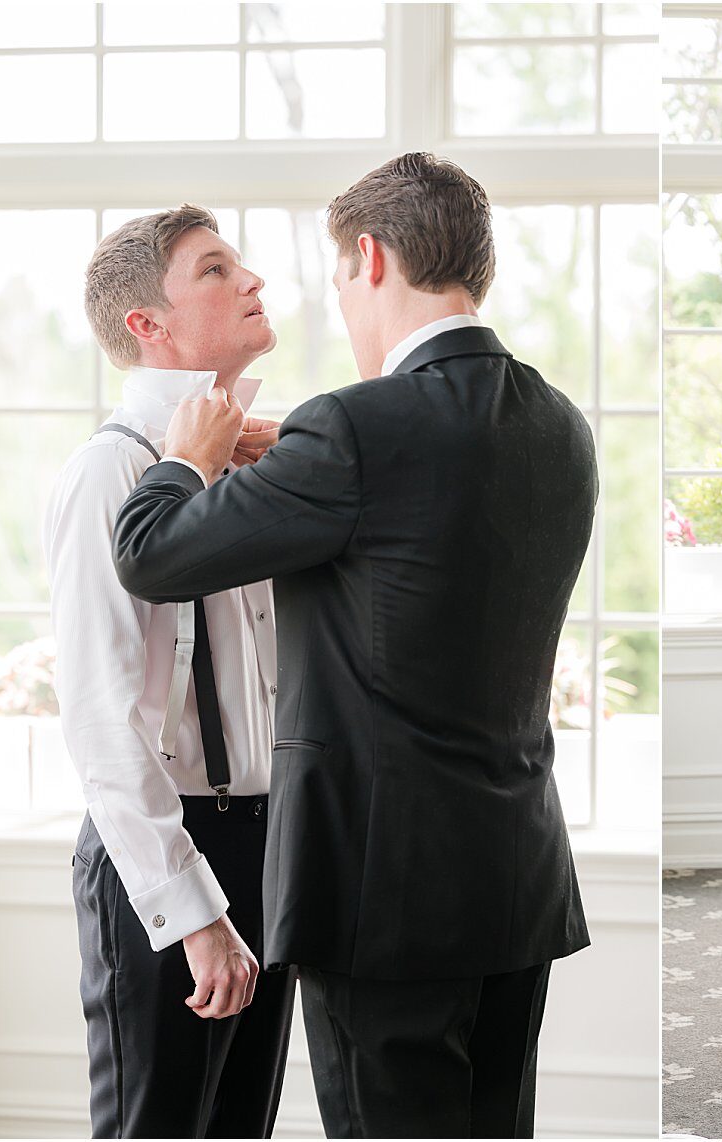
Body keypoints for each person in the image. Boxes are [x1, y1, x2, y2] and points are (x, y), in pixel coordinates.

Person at [110, 153, 596, 1138]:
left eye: (337, 275)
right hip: (516, 880)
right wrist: (299, 452)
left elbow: (150, 551)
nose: (337, 299)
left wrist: (189, 458)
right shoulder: (559, 423)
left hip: (383, 899)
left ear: (370, 257)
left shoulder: (354, 428)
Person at [45, 204, 294, 1137]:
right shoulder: (108, 476)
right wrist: (193, 914)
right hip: (164, 850)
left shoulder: (260, 463)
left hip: (271, 845)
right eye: (216, 270)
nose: (253, 281)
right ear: (146, 325)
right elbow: (104, 722)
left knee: (242, 1129)